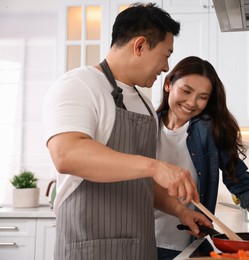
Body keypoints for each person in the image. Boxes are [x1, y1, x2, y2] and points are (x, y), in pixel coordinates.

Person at [43, 4, 211, 260]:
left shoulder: (143, 104)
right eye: (165, 55)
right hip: (91, 248)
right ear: (140, 45)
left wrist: (180, 210)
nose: (166, 66)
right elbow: (67, 154)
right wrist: (155, 167)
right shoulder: (79, 84)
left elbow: (139, 181)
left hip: (140, 247)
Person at [154, 56, 249, 259]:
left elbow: (239, 181)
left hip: (188, 245)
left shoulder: (209, 130)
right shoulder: (145, 125)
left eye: (202, 97)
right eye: (186, 91)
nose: (192, 103)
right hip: (143, 239)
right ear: (168, 84)